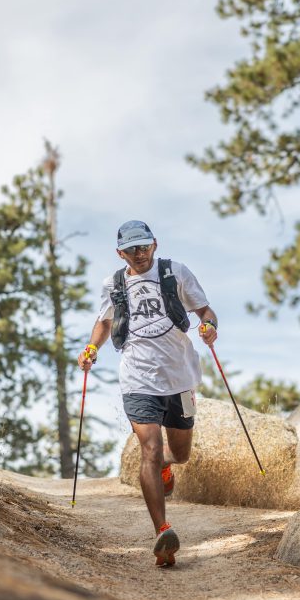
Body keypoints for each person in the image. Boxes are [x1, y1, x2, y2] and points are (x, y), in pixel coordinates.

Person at [78, 220, 217, 567]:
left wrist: (209, 325)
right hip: (138, 380)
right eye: (131, 249)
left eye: (144, 247)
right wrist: (92, 347)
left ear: (154, 244)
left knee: (179, 454)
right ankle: (162, 533)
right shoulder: (113, 283)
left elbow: (204, 310)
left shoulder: (175, 272)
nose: (139, 254)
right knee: (150, 450)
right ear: (119, 252)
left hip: (180, 377)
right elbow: (105, 322)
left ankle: (167, 468)